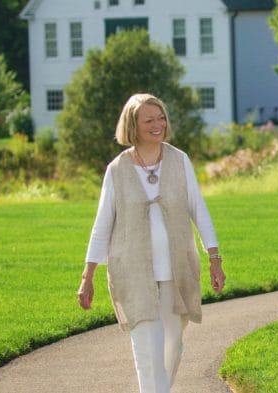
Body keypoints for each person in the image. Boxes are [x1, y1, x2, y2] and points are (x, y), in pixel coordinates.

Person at [76, 93, 226, 393]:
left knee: (174, 346)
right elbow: (101, 225)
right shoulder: (116, 170)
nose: (157, 125)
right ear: (133, 125)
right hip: (133, 274)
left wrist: (215, 258)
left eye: (161, 118)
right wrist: (87, 277)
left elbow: (199, 210)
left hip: (177, 272)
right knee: (148, 352)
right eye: (149, 120)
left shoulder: (179, 160)